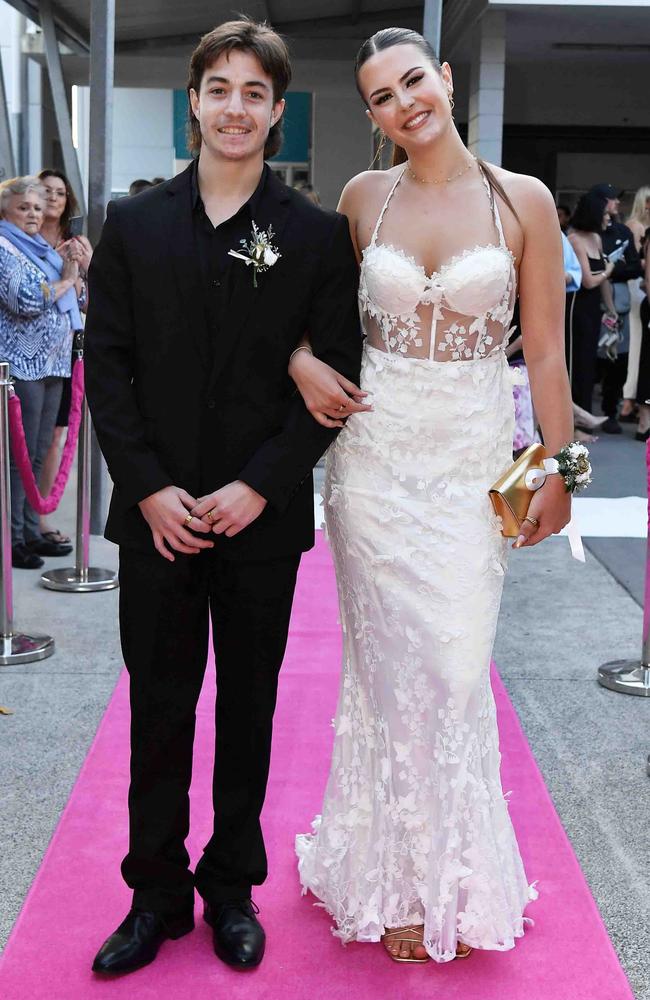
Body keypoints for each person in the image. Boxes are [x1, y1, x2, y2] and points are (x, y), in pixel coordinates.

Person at [85, 18, 361, 977]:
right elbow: (106, 367)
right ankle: (153, 891)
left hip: (260, 519)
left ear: (278, 111)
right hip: (156, 519)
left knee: (248, 707)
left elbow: (334, 380)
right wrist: (150, 489)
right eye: (220, 89)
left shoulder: (316, 236)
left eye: (255, 93)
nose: (235, 108)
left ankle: (231, 885)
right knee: (159, 708)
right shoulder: (134, 221)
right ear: (193, 101)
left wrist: (259, 486)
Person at [292, 27, 573, 964]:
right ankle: (397, 884)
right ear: (371, 116)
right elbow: (314, 318)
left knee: (455, 670)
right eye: (381, 96)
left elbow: (544, 350)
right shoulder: (361, 197)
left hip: (471, 466)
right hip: (371, 466)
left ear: (445, 79)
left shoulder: (521, 199)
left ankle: (451, 874)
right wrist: (297, 361)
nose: (403, 102)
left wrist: (557, 473)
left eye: (413, 80)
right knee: (386, 676)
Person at [0, 176, 84, 569]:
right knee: (20, 458)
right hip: (21, 366)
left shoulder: (41, 249)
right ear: (5, 211)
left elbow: (80, 297)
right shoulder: (4, 247)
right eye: (24, 208)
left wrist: (73, 271)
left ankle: (32, 529)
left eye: (37, 207)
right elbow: (25, 300)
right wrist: (66, 279)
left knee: (36, 457)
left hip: (53, 362)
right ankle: (13, 537)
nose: (33, 214)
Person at [37, 168, 93, 548]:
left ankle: (40, 518)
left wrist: (84, 269)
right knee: (24, 440)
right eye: (46, 191)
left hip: (67, 348)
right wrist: (65, 279)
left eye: (60, 192)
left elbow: (88, 301)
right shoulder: (18, 240)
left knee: (56, 436)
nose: (54, 198)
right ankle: (21, 522)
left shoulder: (76, 243)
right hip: (26, 355)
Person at [589, 183, 643, 433]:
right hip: (591, 306)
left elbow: (635, 266)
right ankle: (584, 413)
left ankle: (610, 411)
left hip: (618, 306)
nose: (617, 204)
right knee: (590, 361)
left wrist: (610, 270)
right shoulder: (587, 231)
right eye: (612, 199)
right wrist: (607, 269)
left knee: (618, 361)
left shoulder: (622, 230)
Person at [567, 193, 617, 415]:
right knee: (576, 361)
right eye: (605, 213)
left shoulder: (596, 239)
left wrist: (611, 310)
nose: (609, 217)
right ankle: (574, 420)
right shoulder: (575, 240)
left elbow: (601, 281)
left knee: (589, 362)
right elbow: (588, 280)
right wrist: (608, 271)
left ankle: (585, 414)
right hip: (577, 308)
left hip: (594, 308)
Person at [621, 186, 650, 421]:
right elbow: (636, 261)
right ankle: (629, 399)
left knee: (639, 346)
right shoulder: (636, 226)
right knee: (637, 345)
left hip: (641, 286)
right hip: (638, 287)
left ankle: (630, 399)